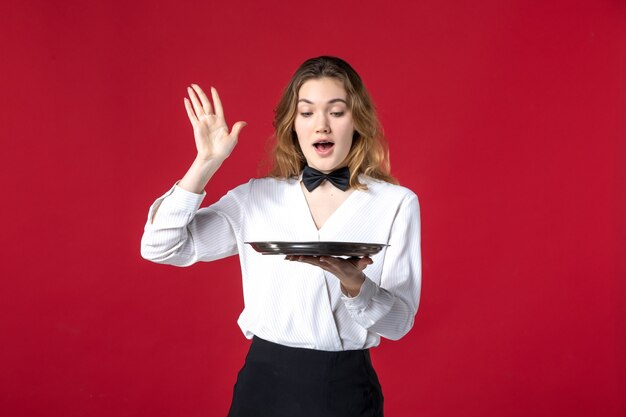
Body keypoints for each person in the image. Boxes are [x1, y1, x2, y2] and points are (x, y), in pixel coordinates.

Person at [141, 56, 421, 417]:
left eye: (336, 112)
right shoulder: (256, 197)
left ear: (358, 122)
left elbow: (398, 325)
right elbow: (160, 247)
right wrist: (206, 163)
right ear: (293, 125)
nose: (322, 125)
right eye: (307, 113)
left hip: (346, 388)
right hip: (264, 384)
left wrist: (356, 286)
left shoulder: (395, 203)